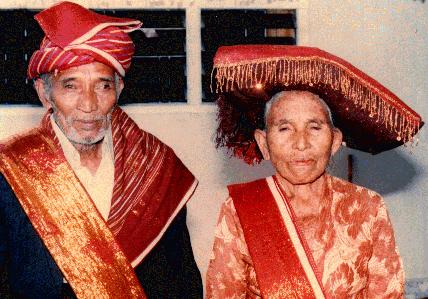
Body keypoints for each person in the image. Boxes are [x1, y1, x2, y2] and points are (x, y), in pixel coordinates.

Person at [0, 2, 202, 298]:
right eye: (71, 86)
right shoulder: (12, 168)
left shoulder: (155, 166)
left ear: (119, 88)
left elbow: (182, 284)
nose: (89, 104)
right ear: (45, 94)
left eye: (102, 86)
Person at [206, 45, 424, 298]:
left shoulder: (368, 208)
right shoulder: (239, 209)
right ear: (264, 144)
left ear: (334, 142)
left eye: (315, 128)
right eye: (285, 128)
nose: (301, 143)